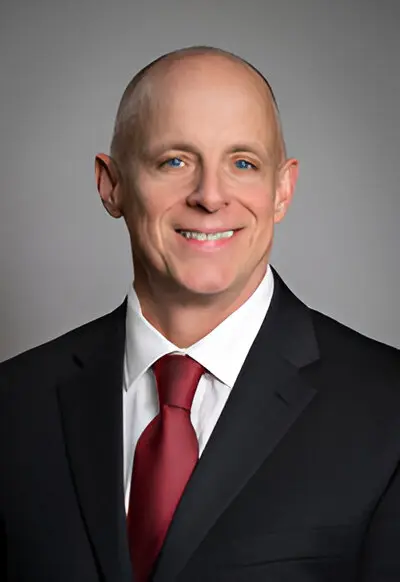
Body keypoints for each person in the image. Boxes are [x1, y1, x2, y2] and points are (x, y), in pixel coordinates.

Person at [1, 46, 399, 582]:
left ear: (282, 190)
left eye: (242, 163)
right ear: (111, 184)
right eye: (175, 161)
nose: (210, 197)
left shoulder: (388, 408)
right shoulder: (14, 403)